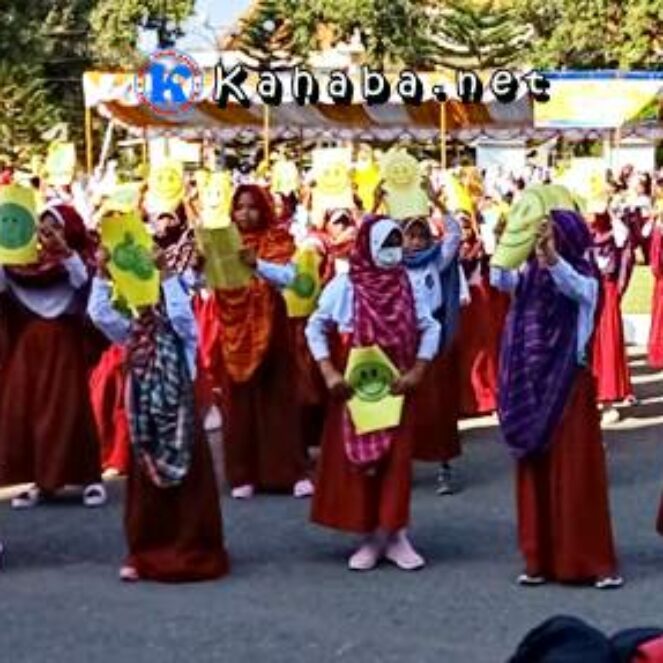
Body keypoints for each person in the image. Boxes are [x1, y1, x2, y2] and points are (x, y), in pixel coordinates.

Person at [492, 209, 622, 589]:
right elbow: (499, 277)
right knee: (535, 471)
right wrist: (510, 240)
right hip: (529, 386)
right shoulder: (527, 277)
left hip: (569, 387)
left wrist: (552, 257)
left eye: (553, 233)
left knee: (576, 476)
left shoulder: (585, 276)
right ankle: (539, 559)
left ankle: (589, 561)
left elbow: (574, 288)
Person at [305, 215, 440, 571]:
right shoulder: (345, 285)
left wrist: (417, 371)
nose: (393, 251)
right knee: (362, 465)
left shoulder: (409, 284)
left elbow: (430, 327)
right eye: (386, 244)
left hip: (397, 387)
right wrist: (329, 372)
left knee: (396, 463)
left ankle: (395, 535)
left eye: (397, 243)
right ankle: (370, 536)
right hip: (357, 389)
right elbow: (315, 327)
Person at [88, 246, 229, 583]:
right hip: (145, 422)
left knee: (189, 492)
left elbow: (182, 316)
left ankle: (194, 547)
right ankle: (144, 552)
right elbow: (100, 314)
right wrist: (103, 274)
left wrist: (165, 275)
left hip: (181, 420)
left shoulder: (182, 336)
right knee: (146, 493)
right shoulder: (133, 333)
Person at [0, 201, 105, 509]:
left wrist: (65, 250)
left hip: (64, 343)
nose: (48, 235)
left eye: (56, 227)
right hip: (31, 346)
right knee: (29, 411)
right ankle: (42, 480)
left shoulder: (80, 259)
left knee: (70, 409)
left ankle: (89, 477)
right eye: (43, 229)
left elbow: (83, 284)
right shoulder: (24, 264)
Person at [214, 184, 312, 499]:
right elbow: (209, 286)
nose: (246, 213)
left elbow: (290, 278)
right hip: (234, 330)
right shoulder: (223, 243)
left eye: (252, 206)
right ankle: (244, 473)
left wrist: (257, 265)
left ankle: (290, 471)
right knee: (240, 402)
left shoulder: (277, 239)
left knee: (278, 398)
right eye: (240, 207)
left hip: (272, 326)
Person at [402, 213, 463, 494]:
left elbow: (453, 235)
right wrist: (378, 203)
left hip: (432, 337)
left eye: (421, 236)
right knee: (402, 405)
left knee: (437, 404)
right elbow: (368, 240)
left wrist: (436, 202)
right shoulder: (394, 263)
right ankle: (401, 466)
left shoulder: (436, 261)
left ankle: (443, 468)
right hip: (403, 338)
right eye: (410, 236)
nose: (415, 242)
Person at [588, 208, 635, 422]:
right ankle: (595, 396)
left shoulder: (617, 236)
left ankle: (608, 396)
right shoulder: (585, 237)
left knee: (608, 344)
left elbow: (626, 259)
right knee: (591, 346)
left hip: (606, 293)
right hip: (590, 293)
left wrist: (619, 287)